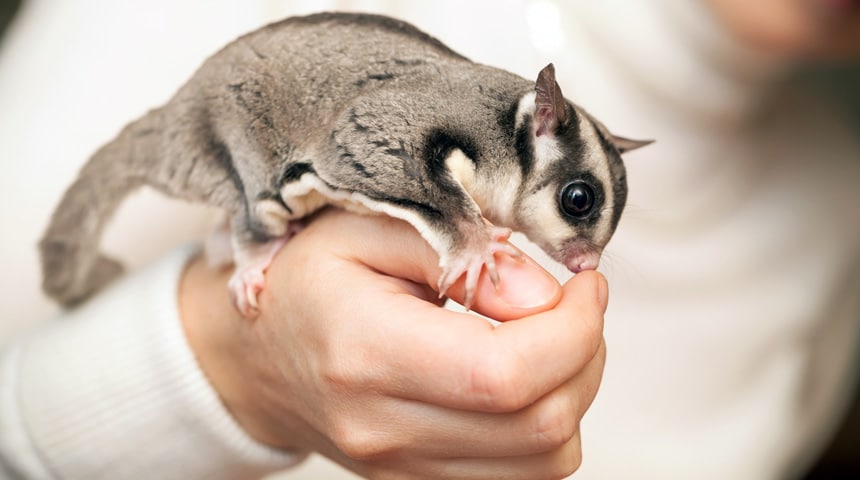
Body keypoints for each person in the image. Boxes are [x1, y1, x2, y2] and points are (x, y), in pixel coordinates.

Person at [1, 0, 858, 479]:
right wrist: (230, 368)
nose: (587, 261)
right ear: (541, 126)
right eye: (577, 209)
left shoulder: (836, 203)